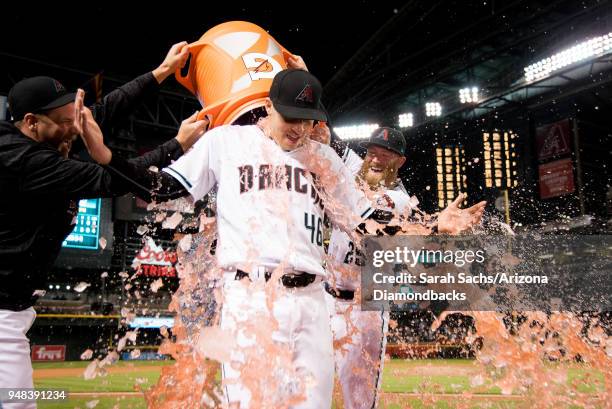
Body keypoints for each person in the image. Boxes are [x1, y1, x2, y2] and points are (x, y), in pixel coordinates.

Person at [83, 68, 420, 408]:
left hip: (313, 304)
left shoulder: (323, 158)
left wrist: (434, 228)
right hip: (252, 298)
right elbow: (162, 188)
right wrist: (109, 158)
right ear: (269, 106)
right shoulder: (227, 142)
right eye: (292, 117)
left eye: (307, 120)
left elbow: (367, 224)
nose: (300, 128)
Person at [0, 42, 208, 409]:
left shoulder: (43, 140)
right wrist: (177, 143)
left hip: (12, 311)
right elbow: (114, 180)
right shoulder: (25, 162)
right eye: (65, 122)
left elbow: (104, 111)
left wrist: (161, 71)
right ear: (31, 122)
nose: (74, 128)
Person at [321, 126, 486, 409]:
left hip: (364, 310)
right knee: (308, 387)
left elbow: (372, 227)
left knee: (359, 398)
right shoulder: (353, 167)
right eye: (372, 152)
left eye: (386, 155)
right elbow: (325, 135)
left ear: (400, 162)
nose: (375, 159)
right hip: (323, 299)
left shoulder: (399, 201)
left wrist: (436, 227)